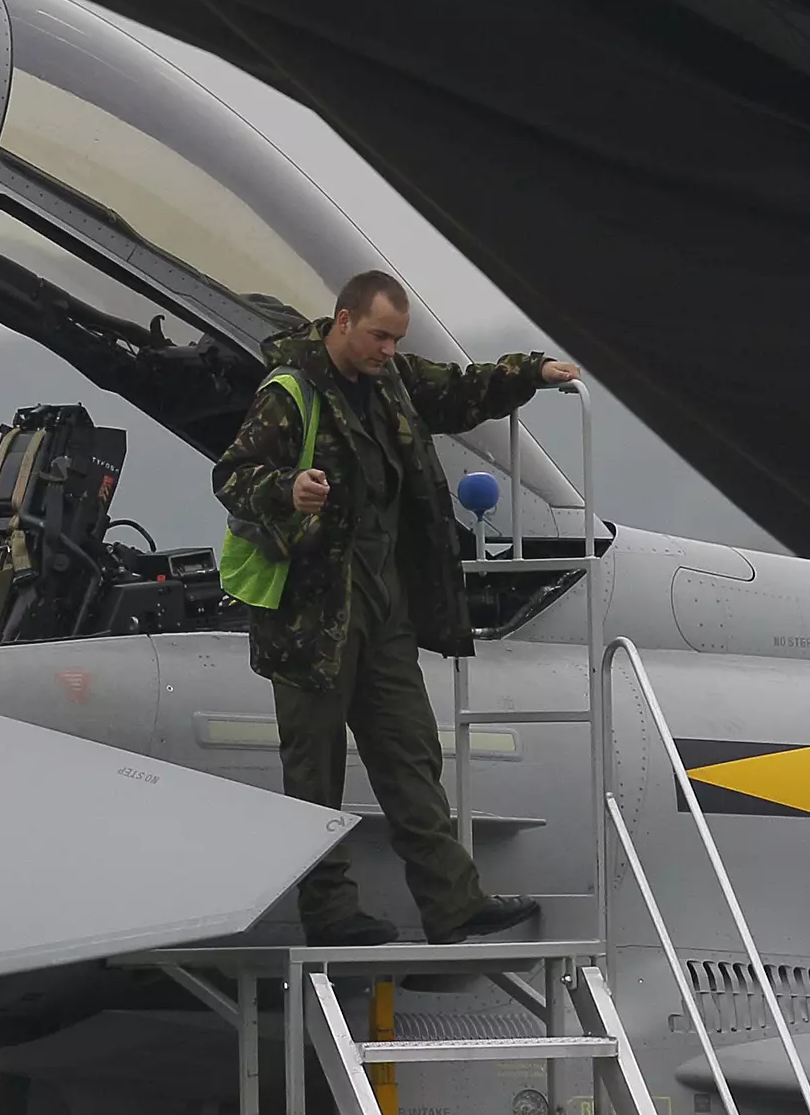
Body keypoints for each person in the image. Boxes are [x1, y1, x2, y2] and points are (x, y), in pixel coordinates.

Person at [211, 271, 576, 946]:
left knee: (410, 753)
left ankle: (452, 903)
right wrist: (286, 488)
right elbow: (232, 475)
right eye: (379, 335)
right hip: (310, 615)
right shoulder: (288, 392)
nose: (387, 348)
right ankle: (328, 912)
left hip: (380, 606)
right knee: (313, 767)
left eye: (395, 338)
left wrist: (530, 371)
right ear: (343, 321)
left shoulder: (391, 381)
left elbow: (461, 391)